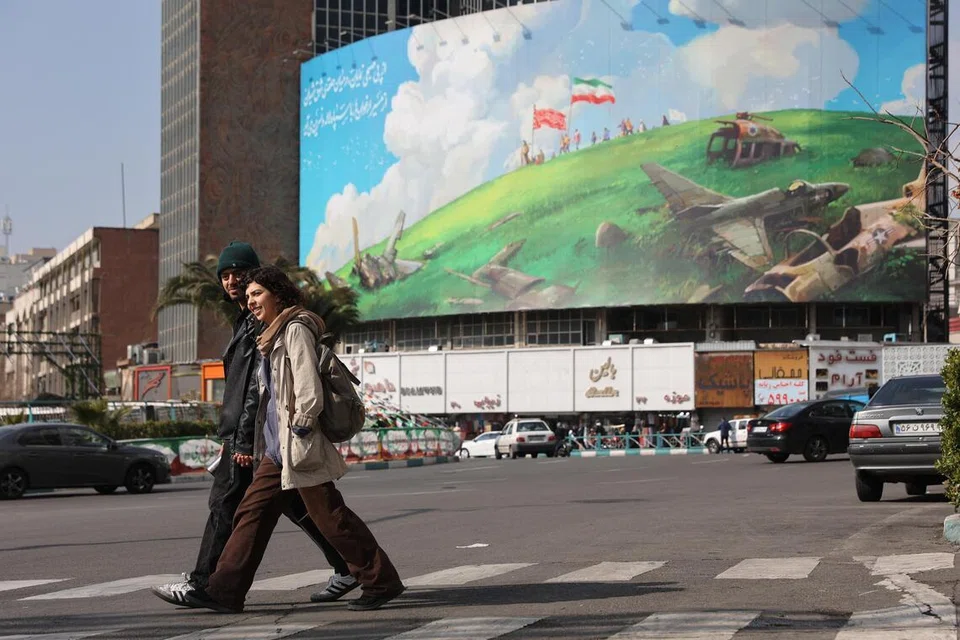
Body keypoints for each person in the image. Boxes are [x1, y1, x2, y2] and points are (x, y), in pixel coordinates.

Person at [179, 265, 404, 614]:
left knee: (331, 517)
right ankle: (223, 591)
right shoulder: (272, 335)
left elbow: (308, 386)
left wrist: (301, 427)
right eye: (249, 296)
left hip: (297, 443)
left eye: (258, 294)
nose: (251, 301)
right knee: (251, 513)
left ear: (278, 295)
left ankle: (380, 581)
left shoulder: (295, 329)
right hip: (276, 448)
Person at [152, 243, 356, 608]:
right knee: (300, 506)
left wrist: (243, 439)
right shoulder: (245, 320)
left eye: (240, 275)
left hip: (255, 435)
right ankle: (350, 566)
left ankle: (204, 583)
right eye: (225, 276)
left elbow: (254, 388)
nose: (232, 282)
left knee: (225, 504)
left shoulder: (257, 323)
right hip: (260, 435)